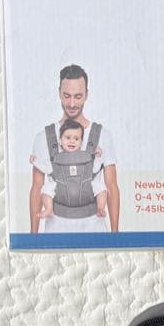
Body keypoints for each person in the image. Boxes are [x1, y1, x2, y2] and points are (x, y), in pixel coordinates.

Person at [29, 64, 120, 233]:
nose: (72, 103)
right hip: (56, 228)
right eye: (66, 96)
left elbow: (112, 186)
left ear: (87, 95)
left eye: (78, 96)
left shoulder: (103, 136)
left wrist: (115, 235)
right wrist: (33, 236)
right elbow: (36, 188)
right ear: (59, 94)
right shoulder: (43, 138)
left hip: (94, 227)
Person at [37, 119, 108, 220]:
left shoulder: (87, 155)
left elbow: (95, 169)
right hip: (60, 187)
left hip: (86, 186)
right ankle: (49, 208)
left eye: (76, 139)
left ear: (81, 142)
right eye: (68, 138)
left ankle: (100, 208)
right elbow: (47, 169)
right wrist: (36, 161)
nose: (72, 141)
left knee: (100, 187)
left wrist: (98, 156)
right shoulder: (56, 156)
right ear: (60, 140)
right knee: (46, 188)